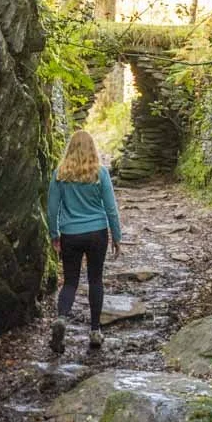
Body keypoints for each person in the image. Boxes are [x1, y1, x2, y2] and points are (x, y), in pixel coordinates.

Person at [46, 129, 121, 354]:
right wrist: (116, 236)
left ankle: (61, 318)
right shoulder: (100, 173)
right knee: (95, 280)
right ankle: (95, 331)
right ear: (92, 148)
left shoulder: (60, 174)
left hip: (70, 234)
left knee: (70, 282)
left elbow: (52, 209)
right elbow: (111, 208)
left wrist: (54, 234)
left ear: (70, 148)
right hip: (97, 232)